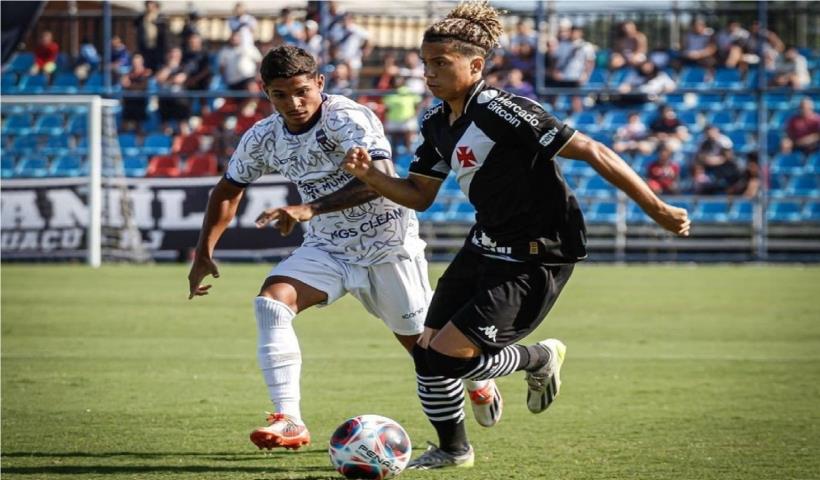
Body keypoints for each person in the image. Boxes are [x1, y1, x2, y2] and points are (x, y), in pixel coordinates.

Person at [343, 1, 690, 469]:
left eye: (441, 63)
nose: (429, 73)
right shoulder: (434, 121)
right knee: (425, 354)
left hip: (536, 255)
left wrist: (657, 207)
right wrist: (370, 176)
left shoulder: (503, 109)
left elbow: (589, 148)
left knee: (447, 359)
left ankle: (537, 358)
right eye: (426, 63)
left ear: (476, 65)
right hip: (484, 243)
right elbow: (420, 195)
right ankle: (453, 450)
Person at [187, 45, 499, 452]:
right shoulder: (264, 137)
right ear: (266, 93)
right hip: (328, 249)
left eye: (302, 91)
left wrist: (308, 207)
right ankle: (289, 419)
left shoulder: (346, 118)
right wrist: (204, 251)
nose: (294, 103)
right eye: (280, 95)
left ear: (319, 82)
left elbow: (379, 176)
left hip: (388, 248)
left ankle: (483, 376)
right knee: (271, 303)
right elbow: (228, 189)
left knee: (431, 357)